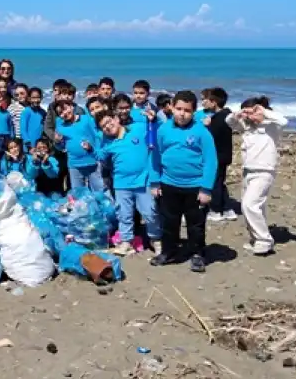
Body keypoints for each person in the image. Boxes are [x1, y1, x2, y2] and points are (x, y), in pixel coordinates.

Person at [150, 90, 218, 272]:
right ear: (171, 107)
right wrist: (155, 182)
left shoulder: (201, 132)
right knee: (169, 222)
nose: (182, 113)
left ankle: (197, 254)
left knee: (195, 225)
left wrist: (206, 188)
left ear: (194, 111)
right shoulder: (163, 129)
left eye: (187, 110)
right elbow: (155, 156)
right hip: (169, 184)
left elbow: (211, 161)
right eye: (178, 108)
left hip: (195, 187)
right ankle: (169, 251)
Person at [226, 96, 288, 255]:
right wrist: (239, 113)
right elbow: (229, 121)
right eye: (248, 113)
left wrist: (263, 112)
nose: (250, 116)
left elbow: (284, 121)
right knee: (255, 207)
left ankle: (264, 240)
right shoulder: (246, 127)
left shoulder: (271, 126)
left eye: (253, 112)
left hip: (264, 171)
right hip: (248, 170)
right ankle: (256, 238)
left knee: (249, 205)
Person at [94, 110, 162, 256]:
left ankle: (155, 239)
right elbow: (100, 156)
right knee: (124, 214)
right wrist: (91, 147)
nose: (107, 127)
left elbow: (157, 129)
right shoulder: (107, 142)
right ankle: (126, 241)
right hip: (121, 183)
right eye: (103, 126)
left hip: (143, 180)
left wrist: (154, 119)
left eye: (108, 122)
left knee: (150, 212)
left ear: (116, 118)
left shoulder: (137, 128)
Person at [202, 88, 236, 222]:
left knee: (215, 182)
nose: (203, 103)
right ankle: (227, 209)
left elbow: (212, 137)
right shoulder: (227, 115)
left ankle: (216, 210)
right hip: (225, 155)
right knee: (220, 182)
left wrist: (206, 126)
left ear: (214, 102)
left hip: (217, 155)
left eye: (205, 100)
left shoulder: (219, 118)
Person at [53, 101, 103, 192]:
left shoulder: (86, 119)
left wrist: (95, 150)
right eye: (60, 113)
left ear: (72, 107)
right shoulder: (60, 127)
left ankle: (106, 206)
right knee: (78, 194)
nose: (64, 113)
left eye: (65, 109)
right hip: (74, 164)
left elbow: (97, 136)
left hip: (92, 161)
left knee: (100, 191)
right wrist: (57, 142)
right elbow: (61, 147)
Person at [20, 87, 46, 152]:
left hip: (40, 146)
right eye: (33, 98)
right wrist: (29, 145)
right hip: (29, 146)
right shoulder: (26, 111)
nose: (36, 100)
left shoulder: (43, 112)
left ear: (41, 98)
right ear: (29, 99)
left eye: (38, 97)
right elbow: (23, 130)